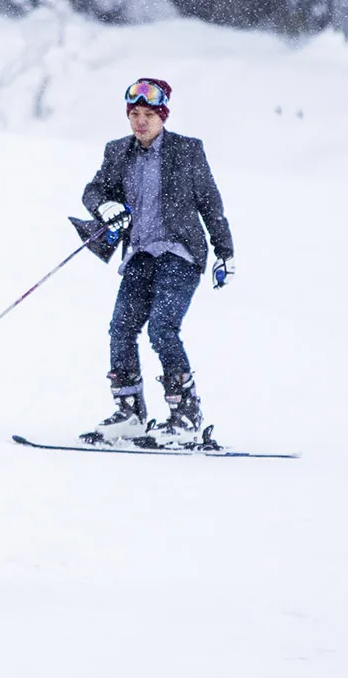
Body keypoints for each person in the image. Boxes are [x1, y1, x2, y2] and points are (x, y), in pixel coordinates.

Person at [80, 78, 234, 440]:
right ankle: (129, 412)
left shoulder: (187, 151)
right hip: (139, 255)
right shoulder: (118, 152)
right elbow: (94, 191)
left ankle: (185, 415)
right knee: (121, 329)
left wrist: (225, 252)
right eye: (134, 114)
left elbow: (211, 204)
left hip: (180, 253)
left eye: (149, 114)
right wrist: (106, 205)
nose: (140, 122)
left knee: (162, 327)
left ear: (163, 115)